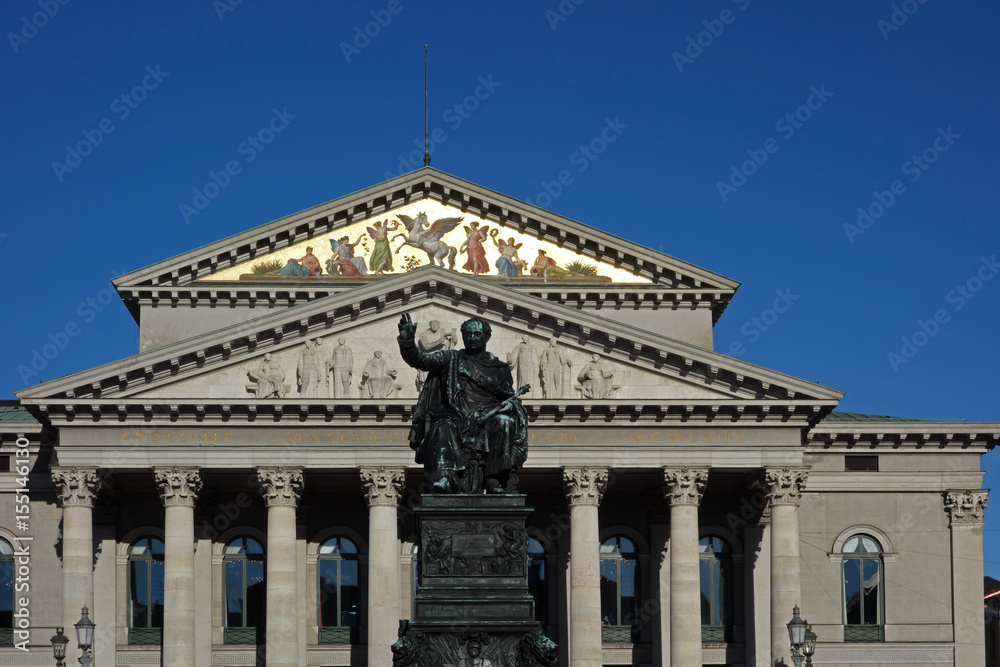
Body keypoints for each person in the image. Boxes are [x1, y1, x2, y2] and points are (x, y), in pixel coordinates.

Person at [397, 312, 529, 494]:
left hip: (488, 418)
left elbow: (510, 398)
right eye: (468, 334)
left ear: (487, 337)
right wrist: (407, 342)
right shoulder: (450, 358)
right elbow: (421, 359)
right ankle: (445, 477)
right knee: (441, 426)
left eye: (477, 334)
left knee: (505, 422)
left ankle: (493, 478)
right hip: (454, 415)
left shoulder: (500, 369)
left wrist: (510, 406)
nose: (472, 338)